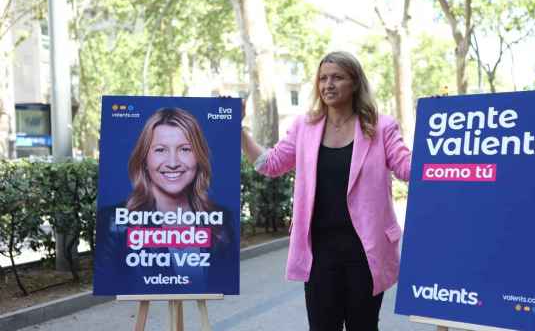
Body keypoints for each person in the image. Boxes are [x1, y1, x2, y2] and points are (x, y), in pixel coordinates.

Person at [241, 51, 412, 330]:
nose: (328, 85)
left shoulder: (381, 127)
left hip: (365, 251)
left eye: (337, 78)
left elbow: (407, 169)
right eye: (323, 78)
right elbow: (270, 164)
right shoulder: (304, 126)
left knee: (364, 326)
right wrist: (239, 131)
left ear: (355, 83)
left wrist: (437, 142)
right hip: (320, 252)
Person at [94, 107, 233, 295]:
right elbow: (110, 284)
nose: (173, 162)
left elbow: (222, 281)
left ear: (199, 157)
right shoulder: (115, 222)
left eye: (185, 149)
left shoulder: (221, 221)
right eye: (160, 150)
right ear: (144, 159)